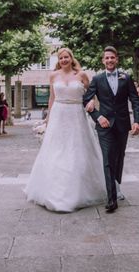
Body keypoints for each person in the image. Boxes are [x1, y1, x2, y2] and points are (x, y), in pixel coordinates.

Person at [25, 48, 107, 212]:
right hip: (59, 114)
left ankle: (81, 189)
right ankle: (53, 190)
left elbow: (92, 94)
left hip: (77, 114)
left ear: (71, 58)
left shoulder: (82, 75)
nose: (64, 59)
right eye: (61, 57)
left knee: (78, 150)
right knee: (57, 150)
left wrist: (92, 104)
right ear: (58, 60)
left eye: (66, 57)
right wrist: (48, 118)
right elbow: (52, 98)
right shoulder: (53, 76)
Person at [83, 46, 139, 213]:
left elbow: (135, 100)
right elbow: (85, 101)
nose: (109, 60)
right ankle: (111, 199)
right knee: (108, 159)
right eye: (106, 58)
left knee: (119, 158)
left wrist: (137, 121)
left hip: (123, 124)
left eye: (112, 58)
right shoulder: (97, 79)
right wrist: (97, 116)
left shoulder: (126, 78)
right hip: (104, 126)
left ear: (116, 59)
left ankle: (116, 187)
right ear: (103, 61)